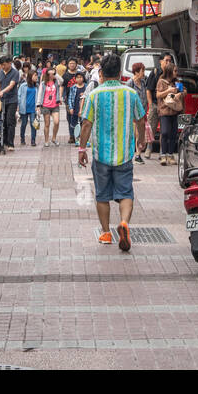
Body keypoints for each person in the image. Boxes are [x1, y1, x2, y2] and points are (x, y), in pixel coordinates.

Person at [78, 53, 145, 252]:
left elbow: (86, 123)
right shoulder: (130, 94)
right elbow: (140, 119)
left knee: (102, 195)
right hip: (124, 152)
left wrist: (82, 148)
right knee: (125, 193)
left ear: (102, 73)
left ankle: (106, 233)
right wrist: (141, 139)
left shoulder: (94, 95)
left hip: (101, 154)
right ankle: (124, 223)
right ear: (119, 72)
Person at [155, 60, 184, 167]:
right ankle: (163, 155)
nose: (176, 72)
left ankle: (170, 155)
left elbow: (184, 91)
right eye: (175, 71)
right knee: (165, 132)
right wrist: (169, 91)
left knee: (173, 133)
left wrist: (180, 94)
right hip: (164, 110)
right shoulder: (161, 81)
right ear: (169, 71)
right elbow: (158, 95)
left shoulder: (177, 81)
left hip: (175, 110)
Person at [0, 56, 19, 149]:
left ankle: (10, 143)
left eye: (4, 65)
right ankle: (4, 141)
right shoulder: (0, 73)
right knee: (3, 121)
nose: (3, 67)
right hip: (2, 100)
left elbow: (11, 85)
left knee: (10, 121)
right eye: (1, 65)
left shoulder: (15, 72)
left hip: (12, 100)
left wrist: (2, 92)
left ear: (9, 63)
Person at [129, 61, 148, 164]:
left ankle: (138, 154)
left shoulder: (143, 82)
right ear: (136, 72)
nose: (143, 73)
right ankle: (136, 154)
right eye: (142, 71)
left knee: (140, 133)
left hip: (142, 112)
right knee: (136, 133)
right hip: (132, 113)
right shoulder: (130, 83)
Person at [18, 69, 40, 145]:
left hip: (33, 108)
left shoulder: (37, 86)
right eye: (35, 75)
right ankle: (22, 138)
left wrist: (38, 106)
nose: (37, 77)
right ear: (30, 76)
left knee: (33, 124)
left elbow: (39, 97)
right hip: (24, 107)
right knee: (23, 123)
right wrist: (18, 106)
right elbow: (19, 96)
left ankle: (33, 140)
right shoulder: (23, 85)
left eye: (37, 75)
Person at [40, 68, 62, 145]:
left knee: (56, 122)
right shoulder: (43, 83)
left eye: (53, 73)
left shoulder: (56, 82)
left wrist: (55, 73)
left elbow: (62, 81)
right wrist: (38, 105)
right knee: (47, 124)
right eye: (50, 73)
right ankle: (46, 140)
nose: (51, 75)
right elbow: (40, 94)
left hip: (55, 105)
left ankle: (54, 138)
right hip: (45, 105)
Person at [66, 72, 86, 145]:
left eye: (81, 77)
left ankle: (83, 139)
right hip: (75, 109)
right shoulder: (73, 87)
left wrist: (84, 95)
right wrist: (70, 108)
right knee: (74, 125)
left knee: (83, 124)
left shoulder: (86, 87)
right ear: (75, 79)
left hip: (83, 110)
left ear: (83, 78)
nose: (79, 79)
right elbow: (70, 98)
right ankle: (76, 139)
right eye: (77, 77)